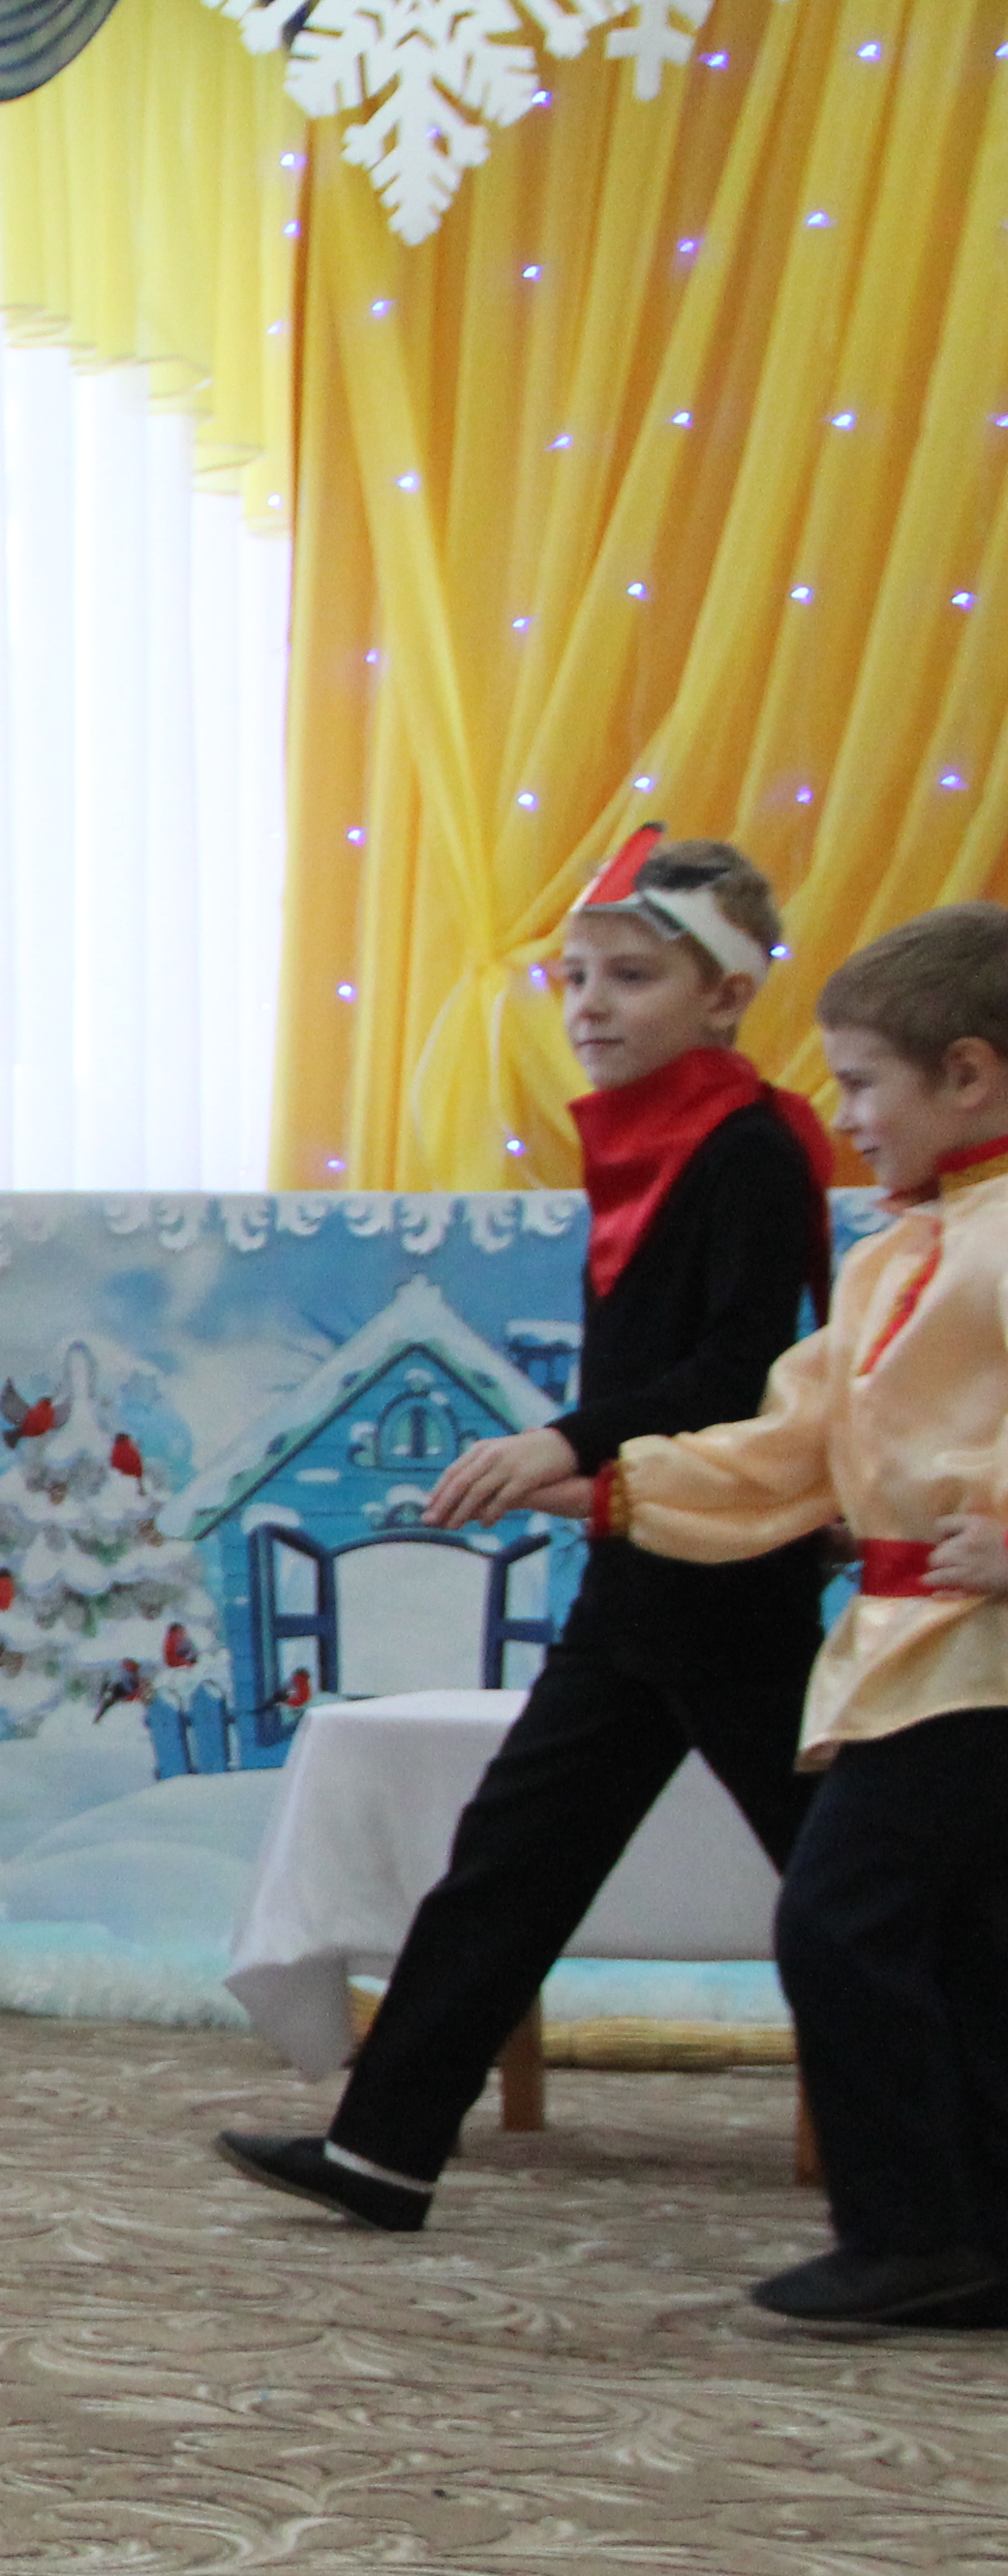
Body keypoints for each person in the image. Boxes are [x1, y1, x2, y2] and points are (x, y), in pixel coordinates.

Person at [217, 832, 839, 2231]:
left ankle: (954, 2175)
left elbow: (741, 1366)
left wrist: (570, 1442)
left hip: (722, 1573)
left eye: (630, 976)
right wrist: (595, 1469)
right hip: (651, 1571)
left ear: (728, 998)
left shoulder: (747, 1148)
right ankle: (384, 2150)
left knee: (844, 1877)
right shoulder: (659, 1146)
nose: (590, 1005)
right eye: (574, 978)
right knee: (513, 1856)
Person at [535, 898, 1008, 2325]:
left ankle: (915, 2228)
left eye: (865, 1080)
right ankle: (973, 2228)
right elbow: (793, 1447)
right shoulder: (892, 1259)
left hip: (982, 1653)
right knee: (961, 1938)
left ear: (970, 1076)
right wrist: (613, 1486)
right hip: (914, 1650)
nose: (846, 1112)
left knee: (842, 1919)